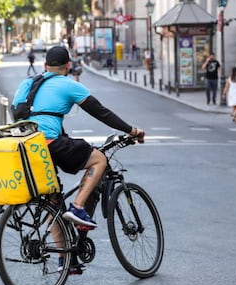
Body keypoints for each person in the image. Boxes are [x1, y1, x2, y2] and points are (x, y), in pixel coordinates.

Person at [12, 46, 145, 229]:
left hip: (24, 146)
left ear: (45, 65)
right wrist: (131, 130)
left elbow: (17, 114)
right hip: (48, 143)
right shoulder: (69, 85)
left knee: (54, 199)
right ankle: (78, 207)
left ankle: (64, 258)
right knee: (99, 159)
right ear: (68, 66)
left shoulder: (27, 83)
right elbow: (101, 112)